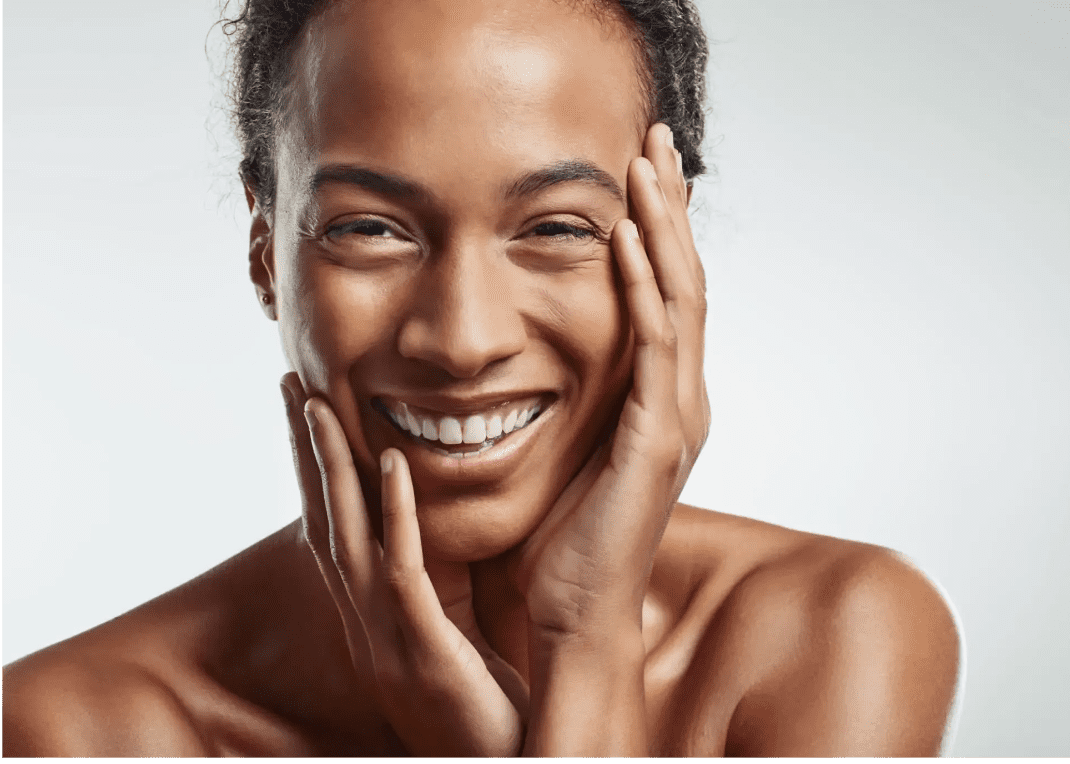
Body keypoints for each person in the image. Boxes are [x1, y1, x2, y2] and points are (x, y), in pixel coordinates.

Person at [1, 0, 961, 756]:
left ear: (671, 249)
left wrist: (586, 642)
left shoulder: (830, 635)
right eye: (369, 228)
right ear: (264, 252)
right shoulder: (73, 731)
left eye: (554, 228)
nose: (461, 341)